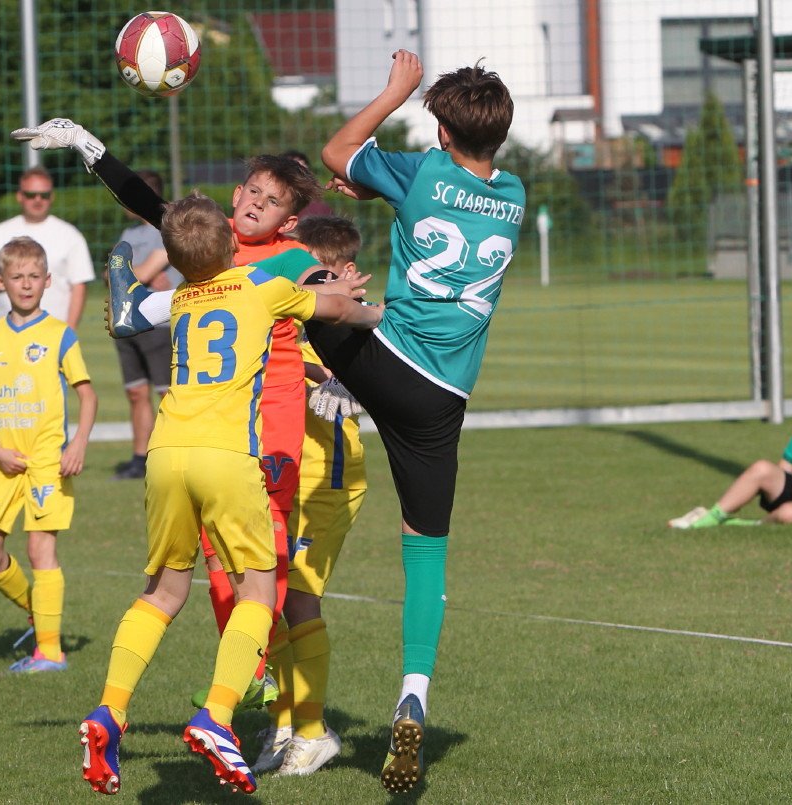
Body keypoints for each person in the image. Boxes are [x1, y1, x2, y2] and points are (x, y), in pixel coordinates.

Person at [76, 193, 381, 797]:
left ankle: (110, 710)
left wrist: (119, 271)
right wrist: (371, 307)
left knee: (163, 592)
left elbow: (127, 314)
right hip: (227, 456)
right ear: (230, 245)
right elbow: (340, 310)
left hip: (165, 454)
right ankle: (217, 715)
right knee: (260, 593)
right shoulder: (261, 286)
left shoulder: (179, 297)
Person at [10, 119, 322, 706]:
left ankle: (263, 683)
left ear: (288, 220)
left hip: (270, 421)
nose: (257, 203)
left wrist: (339, 371)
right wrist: (89, 148)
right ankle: (250, 676)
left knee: (267, 552)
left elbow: (331, 302)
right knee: (215, 559)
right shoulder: (214, 236)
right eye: (254, 191)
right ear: (237, 193)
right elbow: (149, 203)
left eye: (274, 201)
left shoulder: (294, 259)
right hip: (209, 427)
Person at [307, 51, 524, 794]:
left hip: (386, 361)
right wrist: (379, 188)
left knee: (306, 286)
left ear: (440, 129)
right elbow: (447, 199)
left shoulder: (423, 173)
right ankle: (414, 696)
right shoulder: (515, 194)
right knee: (425, 550)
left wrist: (394, 91)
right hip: (443, 400)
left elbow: (336, 151)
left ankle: (315, 373)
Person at [250, 216, 368, 778]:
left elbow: (360, 373)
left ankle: (314, 731)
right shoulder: (289, 316)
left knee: (297, 597)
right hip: (279, 474)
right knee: (265, 597)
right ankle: (283, 720)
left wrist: (342, 378)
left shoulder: (352, 325)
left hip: (328, 483)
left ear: (345, 272)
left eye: (318, 275)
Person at [0, 236, 98, 673]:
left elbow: (87, 395)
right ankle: (37, 610)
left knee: (40, 550)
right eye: (16, 277)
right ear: (0, 282)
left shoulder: (60, 335)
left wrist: (77, 443)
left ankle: (50, 652)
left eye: (33, 276)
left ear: (47, 281)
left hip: (47, 460)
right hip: (1, 460)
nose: (25, 284)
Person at [669, 375, 792, 529]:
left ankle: (756, 525)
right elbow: (785, 469)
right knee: (762, 467)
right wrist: (770, 484)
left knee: (789, 514)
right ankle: (714, 515)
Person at [109, 169, 180, 481]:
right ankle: (140, 457)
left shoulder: (169, 230)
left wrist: (130, 275)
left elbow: (131, 274)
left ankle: (173, 454)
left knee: (168, 394)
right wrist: (133, 275)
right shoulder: (129, 233)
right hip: (127, 322)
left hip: (158, 327)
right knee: (136, 393)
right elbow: (113, 274)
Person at [0, 166, 96, 328]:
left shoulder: (70, 235)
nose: (38, 200)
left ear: (52, 196)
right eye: (31, 195)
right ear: (20, 196)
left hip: (53, 331)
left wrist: (69, 330)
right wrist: (12, 281)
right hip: (7, 331)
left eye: (44, 195)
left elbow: (79, 285)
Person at [281, 151, 335, 219]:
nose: (299, 176)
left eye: (304, 171)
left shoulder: (319, 210)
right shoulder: (273, 208)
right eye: (294, 171)